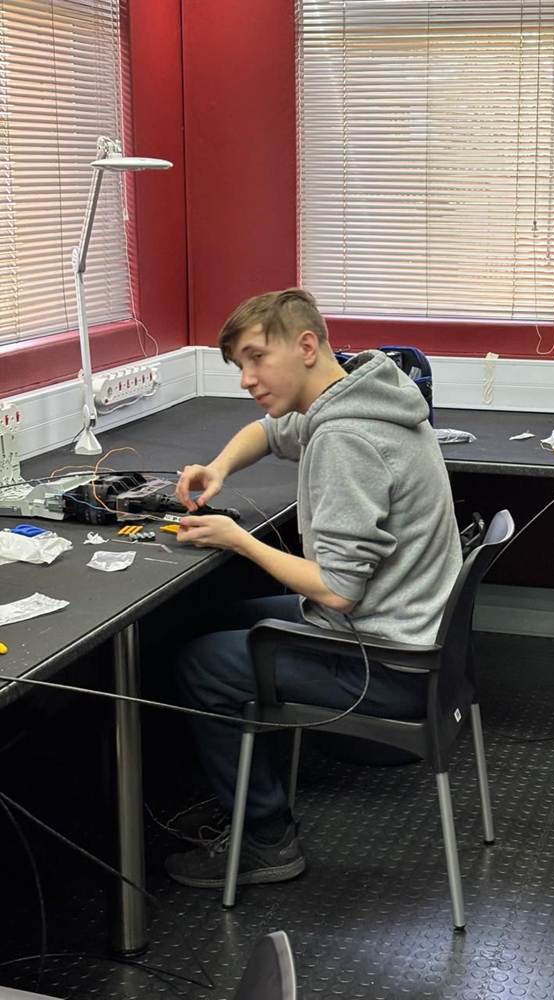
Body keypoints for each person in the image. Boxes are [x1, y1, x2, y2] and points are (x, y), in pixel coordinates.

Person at [165, 288, 462, 888]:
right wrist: (219, 468)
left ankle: (266, 837)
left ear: (305, 347)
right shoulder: (366, 395)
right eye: (239, 365)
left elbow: (337, 591)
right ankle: (240, 790)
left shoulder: (345, 439)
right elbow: (269, 432)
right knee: (209, 619)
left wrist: (239, 540)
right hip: (413, 637)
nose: (247, 379)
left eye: (256, 358)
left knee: (200, 663)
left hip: (386, 666)